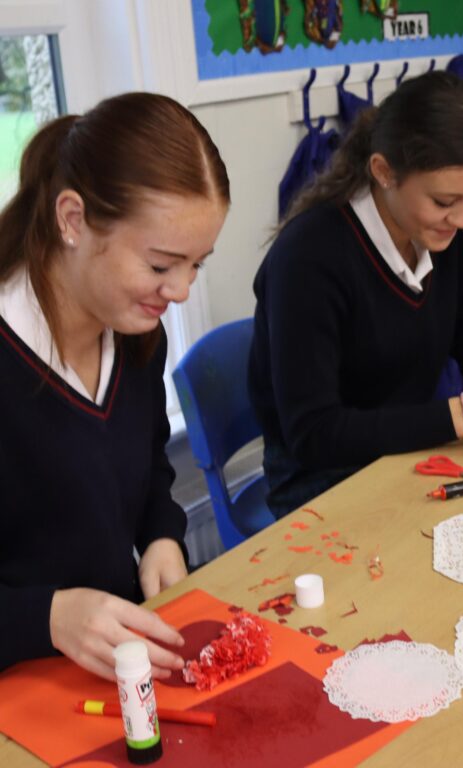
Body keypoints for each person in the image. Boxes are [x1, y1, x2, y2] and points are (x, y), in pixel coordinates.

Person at [249, 71, 463, 519]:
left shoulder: (452, 231)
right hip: (321, 481)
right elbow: (314, 434)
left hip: (410, 451)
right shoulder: (308, 257)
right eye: (444, 201)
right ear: (383, 172)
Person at [0, 92, 229, 680]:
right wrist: (48, 616)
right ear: (73, 220)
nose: (180, 291)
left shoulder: (134, 331)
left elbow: (146, 465)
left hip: (109, 672)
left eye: (197, 264)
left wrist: (160, 536)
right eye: (160, 265)